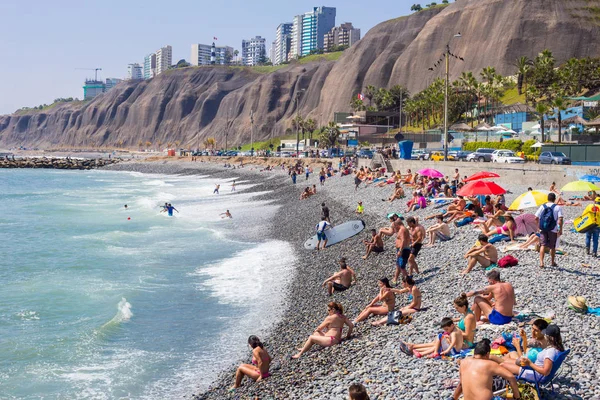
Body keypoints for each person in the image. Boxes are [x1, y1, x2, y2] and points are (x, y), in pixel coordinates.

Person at [456, 339, 521, 400]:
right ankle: (512, 398)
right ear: (487, 354)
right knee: (507, 384)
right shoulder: (489, 364)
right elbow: (511, 377)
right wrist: (517, 397)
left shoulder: (463, 362)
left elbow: (461, 384)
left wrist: (454, 398)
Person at [500, 324, 565, 385]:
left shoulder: (550, 352)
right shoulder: (558, 348)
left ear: (550, 338)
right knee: (506, 361)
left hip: (534, 374)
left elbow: (545, 372)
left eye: (545, 335)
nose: (544, 336)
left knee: (502, 365)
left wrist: (530, 363)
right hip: (534, 369)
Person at [399, 317, 463, 358]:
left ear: (452, 325)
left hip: (453, 351)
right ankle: (415, 350)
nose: (446, 331)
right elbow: (454, 342)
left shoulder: (453, 333)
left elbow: (453, 343)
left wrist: (447, 350)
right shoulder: (455, 328)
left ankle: (418, 351)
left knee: (440, 336)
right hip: (455, 350)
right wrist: (448, 339)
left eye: (446, 329)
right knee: (438, 343)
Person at [535, 192, 563, 268]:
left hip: (543, 228)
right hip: (553, 229)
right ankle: (552, 262)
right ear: (554, 199)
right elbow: (560, 219)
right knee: (552, 246)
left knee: (542, 245)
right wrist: (560, 230)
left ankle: (541, 262)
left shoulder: (542, 206)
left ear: (547, 199)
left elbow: (536, 217)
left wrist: (538, 226)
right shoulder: (557, 207)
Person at [393, 218, 411, 285]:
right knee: (398, 265)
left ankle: (408, 281)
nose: (395, 228)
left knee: (402, 266)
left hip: (403, 249)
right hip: (401, 249)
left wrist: (400, 250)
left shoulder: (402, 230)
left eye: (395, 226)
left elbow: (403, 240)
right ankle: (395, 279)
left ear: (397, 225)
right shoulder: (402, 229)